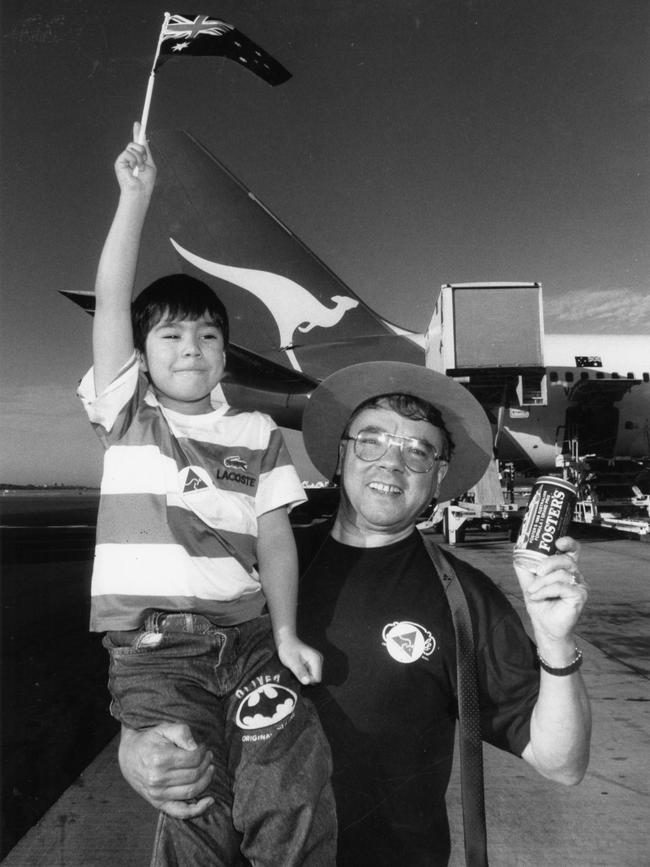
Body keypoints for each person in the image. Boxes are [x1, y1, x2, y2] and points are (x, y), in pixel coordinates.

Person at [119, 360, 591, 866]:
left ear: (438, 478)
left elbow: (561, 762)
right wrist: (135, 747)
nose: (391, 463)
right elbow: (167, 664)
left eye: (417, 451)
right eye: (372, 441)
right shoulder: (255, 569)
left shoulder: (465, 599)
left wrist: (556, 641)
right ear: (341, 456)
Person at [77, 126, 336, 866]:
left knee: (288, 774)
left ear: (226, 353)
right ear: (142, 355)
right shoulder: (127, 413)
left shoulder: (256, 429)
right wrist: (136, 199)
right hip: (156, 656)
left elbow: (277, 536)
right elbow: (112, 302)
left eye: (208, 334)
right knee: (192, 796)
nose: (191, 346)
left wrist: (285, 635)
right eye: (170, 335)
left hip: (250, 638)